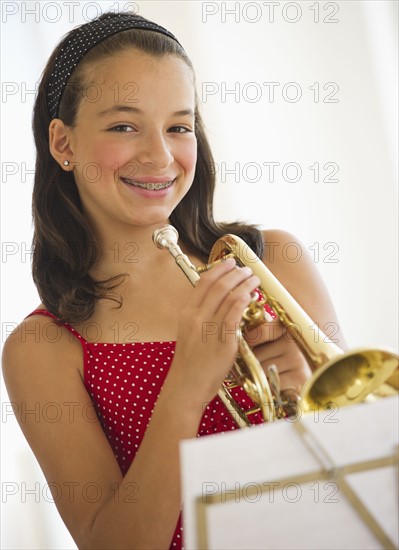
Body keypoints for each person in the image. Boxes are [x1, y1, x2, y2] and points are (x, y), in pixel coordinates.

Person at [2, 11, 345, 550]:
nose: (160, 157)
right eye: (123, 126)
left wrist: (305, 393)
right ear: (63, 144)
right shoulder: (42, 346)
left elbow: (361, 481)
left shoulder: (273, 259)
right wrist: (186, 386)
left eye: (178, 127)